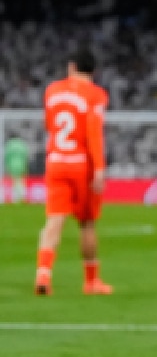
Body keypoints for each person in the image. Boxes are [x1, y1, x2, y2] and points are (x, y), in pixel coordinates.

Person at [35, 51, 112, 296]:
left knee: (54, 220)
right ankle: (91, 282)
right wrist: (99, 168)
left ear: (71, 67)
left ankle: (44, 275)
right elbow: (93, 132)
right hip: (82, 165)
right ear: (93, 71)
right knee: (87, 223)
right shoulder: (96, 95)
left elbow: (49, 124)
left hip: (56, 160)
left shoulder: (52, 90)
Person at [5, 134, 27, 203]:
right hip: (21, 164)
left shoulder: (10, 144)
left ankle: (16, 199)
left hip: (12, 164)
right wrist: (25, 166)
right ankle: (23, 196)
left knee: (14, 181)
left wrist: (7, 166)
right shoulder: (21, 144)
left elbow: (7, 156)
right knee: (21, 181)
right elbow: (25, 156)